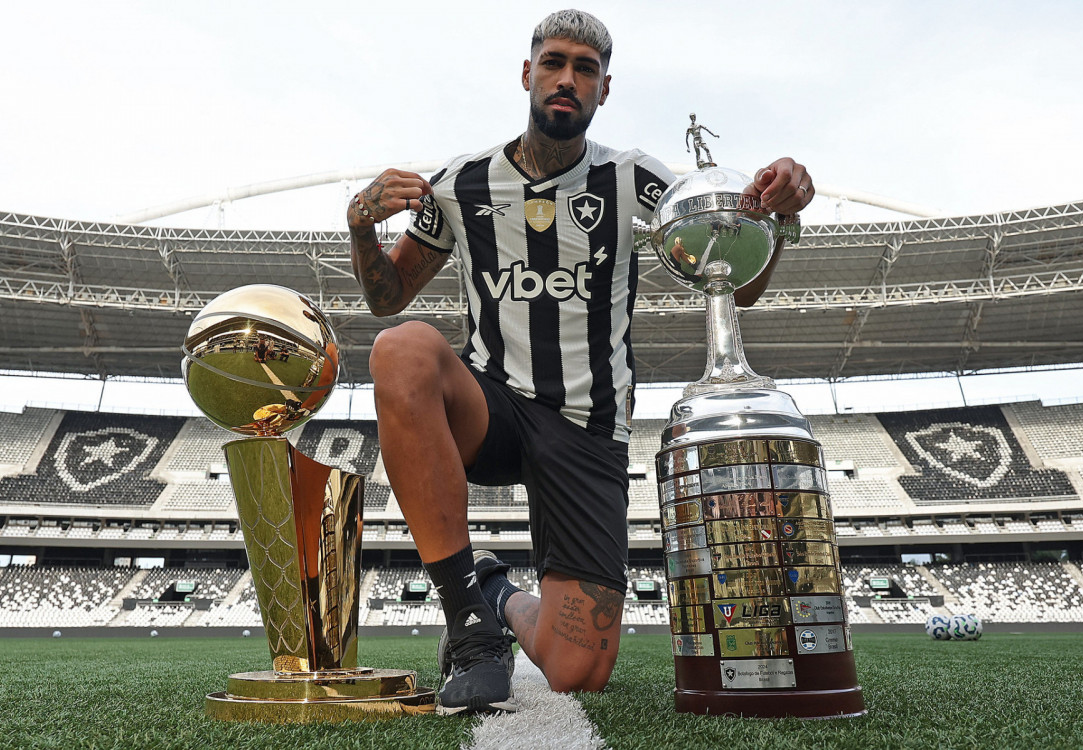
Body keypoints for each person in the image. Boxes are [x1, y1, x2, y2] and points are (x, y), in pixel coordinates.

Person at [345, 9, 814, 715]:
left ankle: (495, 589)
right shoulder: (460, 184)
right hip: (491, 410)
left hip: (589, 430)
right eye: (555, 62)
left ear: (604, 89)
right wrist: (359, 223)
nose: (568, 79)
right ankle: (469, 624)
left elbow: (737, 283)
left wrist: (774, 214)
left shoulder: (634, 181)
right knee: (402, 349)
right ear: (527, 73)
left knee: (577, 671)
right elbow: (387, 296)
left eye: (585, 69)